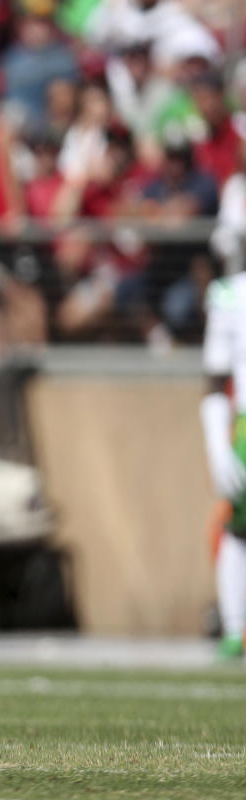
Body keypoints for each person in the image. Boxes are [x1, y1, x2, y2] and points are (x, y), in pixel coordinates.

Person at [199, 271, 246, 660]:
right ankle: (234, 629)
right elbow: (215, 379)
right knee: (237, 527)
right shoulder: (231, 294)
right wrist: (218, 445)